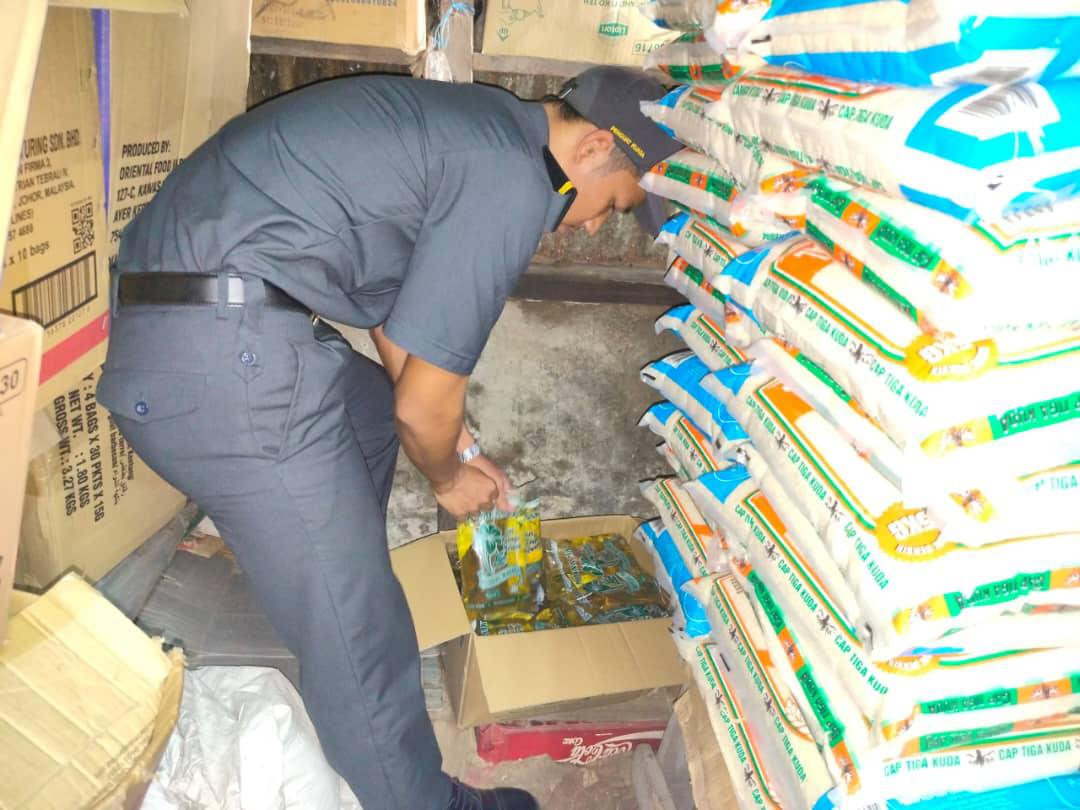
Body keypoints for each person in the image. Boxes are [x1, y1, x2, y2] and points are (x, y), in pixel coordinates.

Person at [97, 66, 681, 810]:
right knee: (362, 625)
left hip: (187, 328)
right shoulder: (511, 178)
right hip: (220, 362)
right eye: (615, 203)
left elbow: (397, 332)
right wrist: (446, 476)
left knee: (368, 412)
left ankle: (331, 576)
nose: (596, 224)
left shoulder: (481, 129)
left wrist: (460, 448)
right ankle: (411, 772)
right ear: (595, 146)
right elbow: (423, 409)